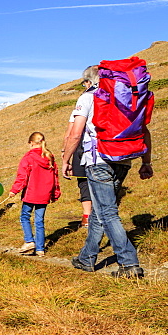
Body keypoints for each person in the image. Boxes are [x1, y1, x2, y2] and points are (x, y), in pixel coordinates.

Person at [62, 65, 153, 278]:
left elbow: (75, 134)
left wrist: (66, 159)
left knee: (108, 212)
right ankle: (86, 258)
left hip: (98, 160)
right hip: (124, 159)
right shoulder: (124, 98)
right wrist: (146, 162)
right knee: (100, 211)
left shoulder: (88, 98)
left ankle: (129, 263)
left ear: (88, 80)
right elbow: (144, 130)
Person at [10, 132, 60, 257]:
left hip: (31, 193)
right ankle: (40, 249)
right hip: (44, 194)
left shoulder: (28, 157)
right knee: (39, 221)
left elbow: (22, 177)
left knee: (25, 216)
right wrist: (55, 193)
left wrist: (14, 190)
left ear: (31, 143)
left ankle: (29, 241)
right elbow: (55, 177)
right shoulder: (49, 157)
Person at [69, 145, 92, 227]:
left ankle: (87, 216)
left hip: (82, 151)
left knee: (84, 184)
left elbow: (73, 135)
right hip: (99, 152)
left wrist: (66, 155)